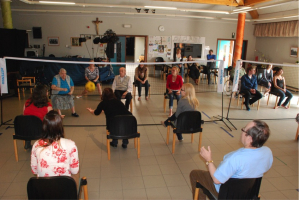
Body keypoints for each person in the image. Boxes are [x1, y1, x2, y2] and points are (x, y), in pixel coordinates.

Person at [189, 120, 273, 200]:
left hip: (226, 194)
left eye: (244, 129)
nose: (242, 131)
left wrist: (209, 160)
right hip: (249, 192)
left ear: (250, 139)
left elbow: (217, 180)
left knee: (194, 174)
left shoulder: (236, 158)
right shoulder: (267, 152)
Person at [31, 110, 80, 187]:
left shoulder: (36, 144)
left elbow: (34, 170)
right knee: (76, 174)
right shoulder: (70, 144)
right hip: (64, 190)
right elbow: (75, 170)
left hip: (43, 191)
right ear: (60, 126)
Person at [23, 85, 53, 149]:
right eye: (47, 91)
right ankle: (48, 144)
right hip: (40, 131)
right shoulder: (47, 106)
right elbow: (51, 119)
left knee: (29, 121)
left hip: (25, 130)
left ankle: (27, 141)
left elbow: (24, 114)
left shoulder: (27, 102)